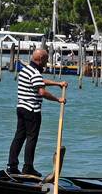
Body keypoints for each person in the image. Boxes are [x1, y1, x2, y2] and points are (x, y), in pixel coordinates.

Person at [7, 47, 67, 178]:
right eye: (46, 60)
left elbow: (40, 81)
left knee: (19, 137)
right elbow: (41, 91)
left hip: (21, 108)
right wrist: (58, 99)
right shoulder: (34, 72)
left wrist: (57, 84)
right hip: (32, 110)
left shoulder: (26, 70)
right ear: (40, 59)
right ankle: (28, 168)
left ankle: (12, 166)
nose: (46, 62)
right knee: (31, 139)